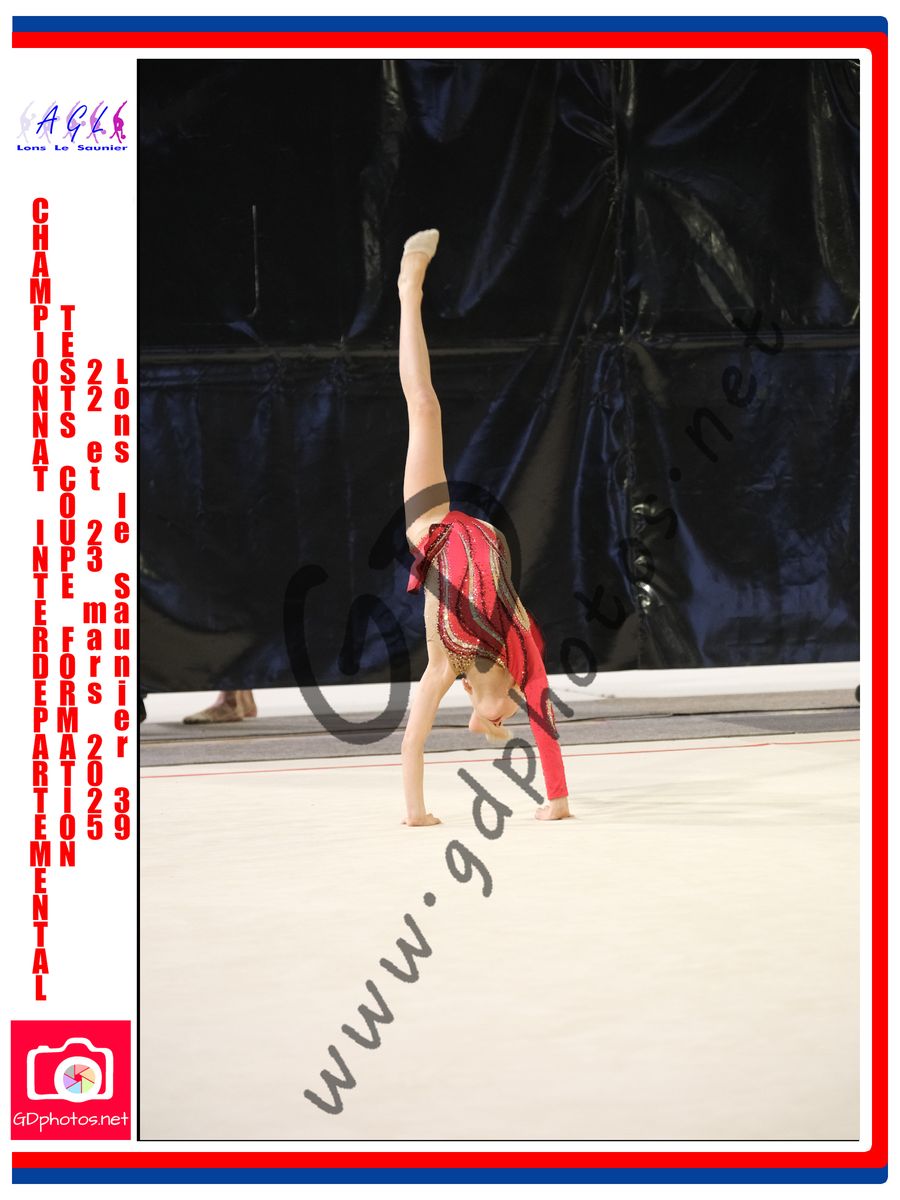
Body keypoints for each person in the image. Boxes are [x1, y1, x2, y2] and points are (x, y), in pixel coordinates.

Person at [397, 229, 571, 827]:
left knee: (423, 406)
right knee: (427, 406)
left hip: (432, 524)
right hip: (462, 526)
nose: (500, 719)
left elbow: (414, 740)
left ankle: (408, 291)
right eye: (498, 723)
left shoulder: (448, 662)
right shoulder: (519, 652)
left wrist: (417, 813)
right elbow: (544, 726)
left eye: (493, 722)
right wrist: (557, 801)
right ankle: (409, 291)